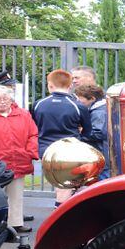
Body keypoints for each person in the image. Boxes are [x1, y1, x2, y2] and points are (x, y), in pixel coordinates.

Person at [33, 69, 91, 205]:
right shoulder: (77, 106)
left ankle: (60, 208)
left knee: (58, 183)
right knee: (66, 184)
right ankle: (60, 210)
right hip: (69, 150)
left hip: (45, 149)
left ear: (50, 85)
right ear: (70, 85)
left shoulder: (38, 104)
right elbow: (88, 131)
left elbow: (34, 126)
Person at [0, 85, 38, 233]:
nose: (2, 102)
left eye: (5, 98)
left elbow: (33, 134)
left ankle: (15, 223)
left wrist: (29, 152)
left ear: (11, 99)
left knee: (16, 194)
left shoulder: (23, 115)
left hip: (19, 160)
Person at [74, 82, 109, 180]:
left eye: (80, 98)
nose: (78, 101)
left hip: (101, 153)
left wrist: (80, 133)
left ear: (92, 98)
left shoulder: (99, 112)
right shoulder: (99, 109)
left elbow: (98, 133)